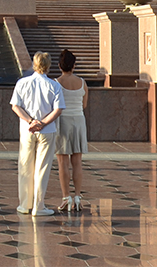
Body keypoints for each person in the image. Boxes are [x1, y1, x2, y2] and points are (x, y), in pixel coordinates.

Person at [10, 51, 64, 217]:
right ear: (48, 65)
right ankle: (39, 206)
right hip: (47, 131)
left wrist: (30, 121)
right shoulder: (54, 85)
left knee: (25, 166)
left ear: (34, 64)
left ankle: (24, 204)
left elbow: (15, 106)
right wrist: (42, 123)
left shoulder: (22, 83)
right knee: (42, 168)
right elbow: (58, 109)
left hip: (27, 130)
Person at [54, 49, 88, 212]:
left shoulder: (56, 83)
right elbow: (84, 104)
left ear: (59, 66)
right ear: (74, 65)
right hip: (79, 121)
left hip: (63, 121)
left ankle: (66, 197)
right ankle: (78, 197)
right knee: (77, 161)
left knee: (63, 162)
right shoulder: (82, 83)